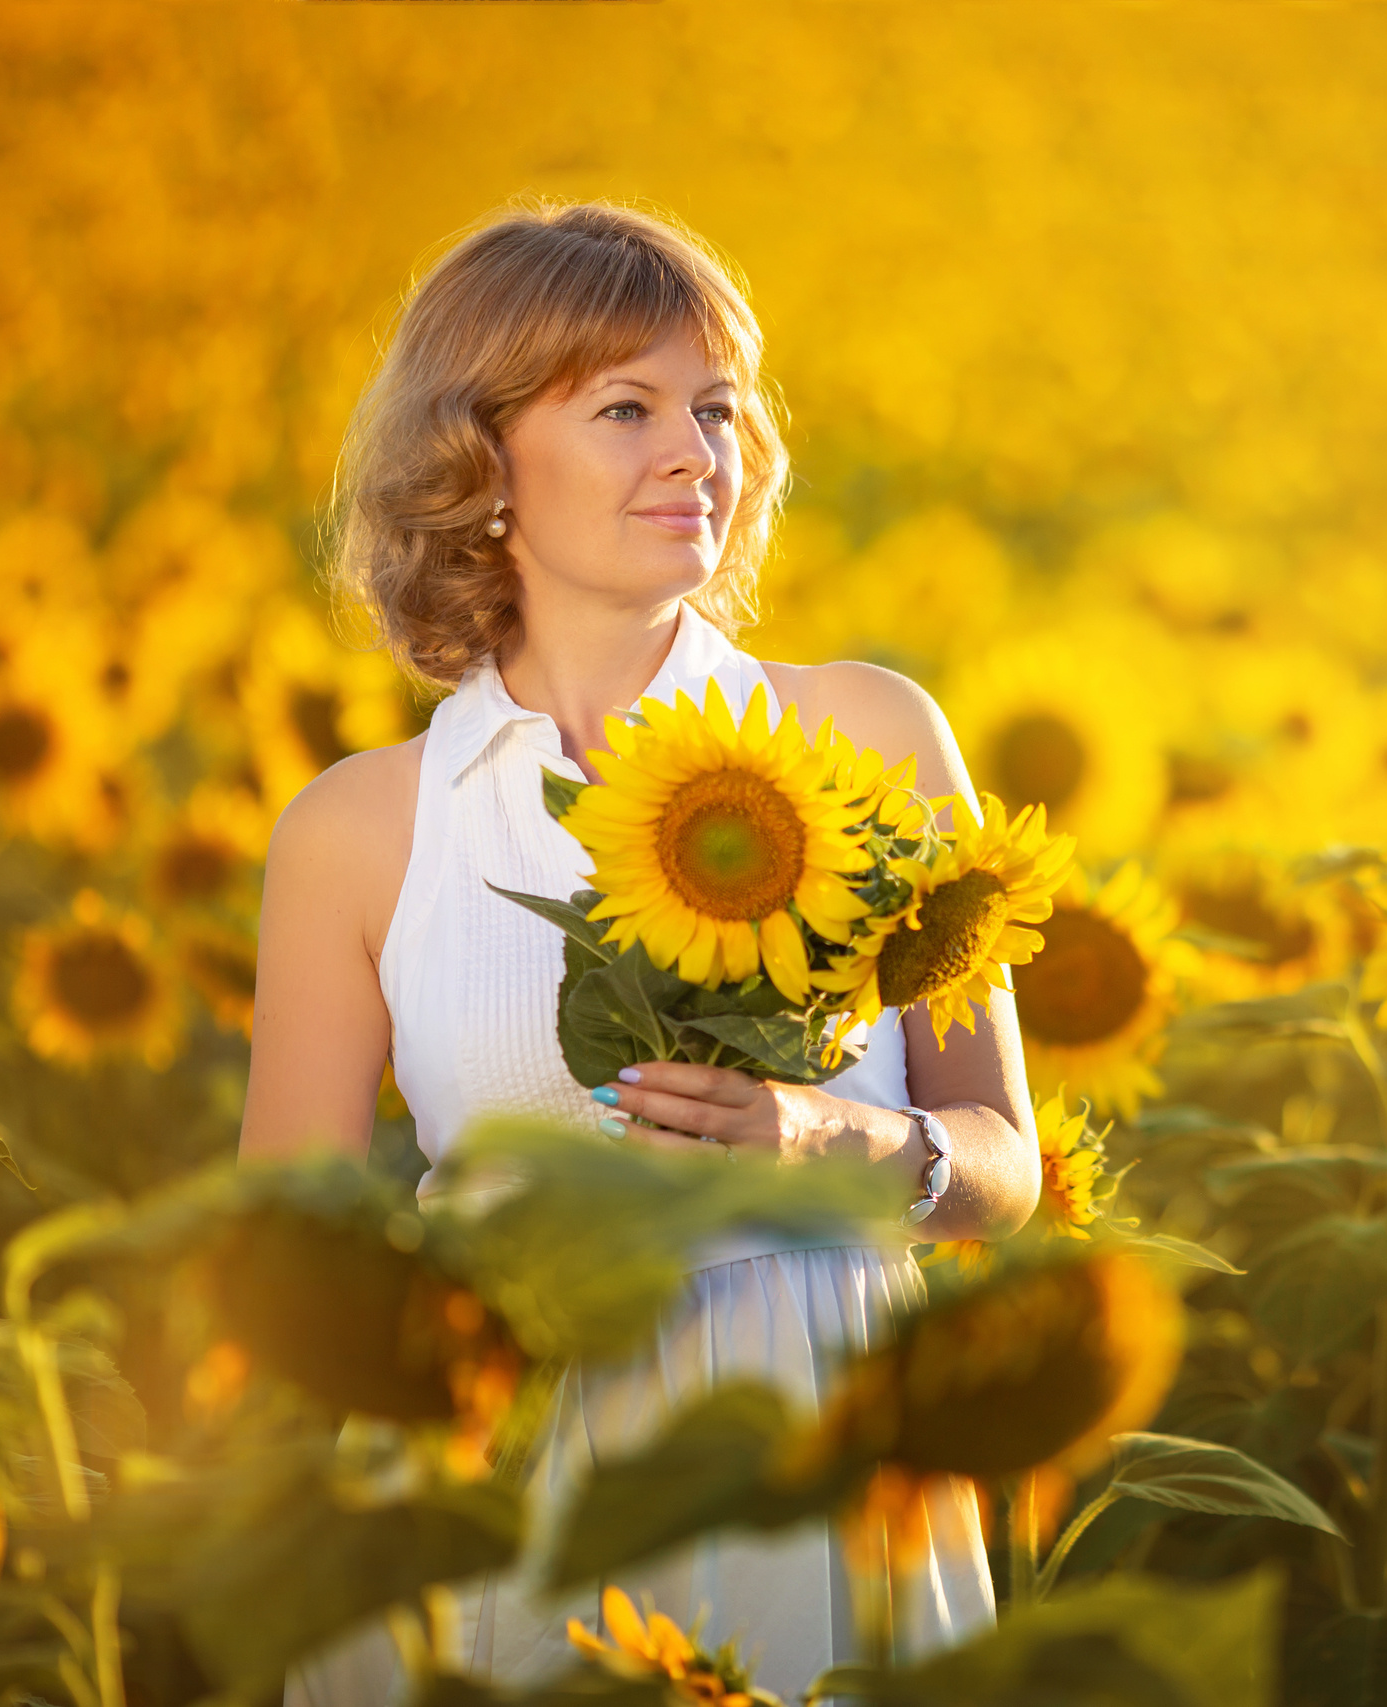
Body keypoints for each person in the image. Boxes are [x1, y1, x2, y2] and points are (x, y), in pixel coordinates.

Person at [240, 199, 1038, 1703]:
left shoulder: (869, 735)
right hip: (505, 1478)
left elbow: (1006, 1164)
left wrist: (824, 1137)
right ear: (480, 467)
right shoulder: (360, 830)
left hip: (820, 1455)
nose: (698, 454)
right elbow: (280, 1249)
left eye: (717, 407)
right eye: (626, 407)